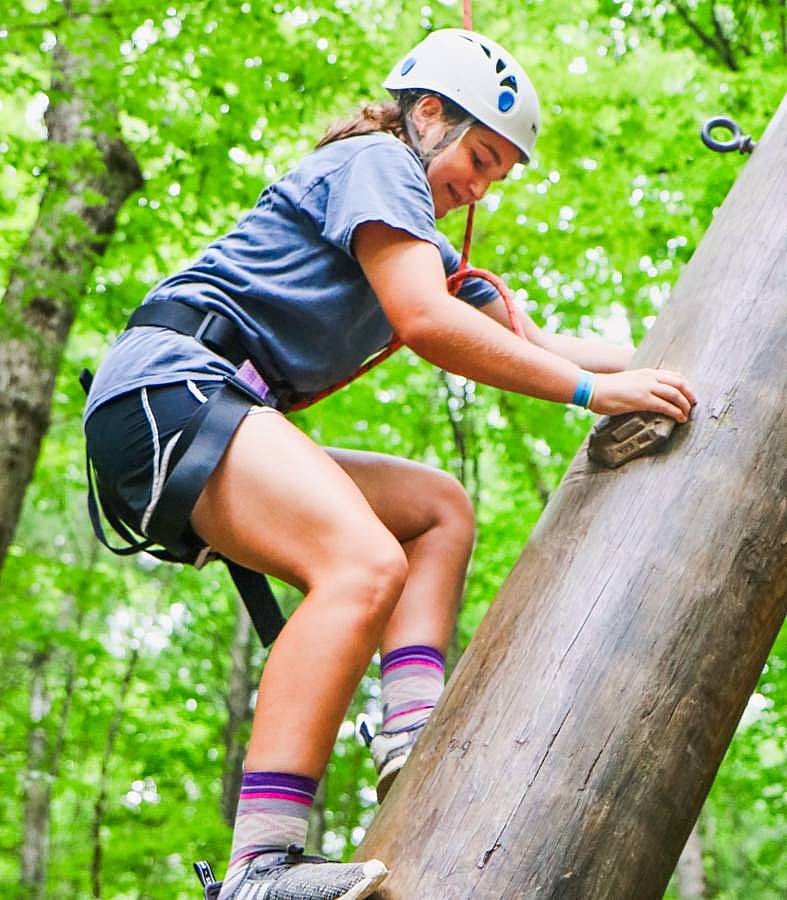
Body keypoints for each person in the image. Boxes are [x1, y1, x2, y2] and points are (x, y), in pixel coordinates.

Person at [82, 27, 696, 900]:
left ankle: (408, 729)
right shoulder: (378, 162)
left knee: (434, 509)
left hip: (208, 411)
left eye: (496, 177)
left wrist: (680, 366)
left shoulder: (422, 245)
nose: (479, 187)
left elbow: (537, 344)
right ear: (429, 114)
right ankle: (259, 864)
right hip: (172, 388)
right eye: (479, 158)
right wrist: (591, 396)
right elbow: (426, 322)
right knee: (361, 562)